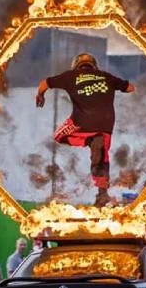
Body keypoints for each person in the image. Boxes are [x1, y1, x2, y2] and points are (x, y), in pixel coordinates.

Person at [36, 52, 135, 207]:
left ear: (76, 65)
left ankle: (88, 139)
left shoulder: (70, 76)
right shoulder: (107, 76)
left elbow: (44, 83)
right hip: (106, 125)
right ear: (94, 65)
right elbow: (130, 88)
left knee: (59, 136)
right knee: (102, 158)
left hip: (82, 122)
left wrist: (40, 95)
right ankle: (102, 194)